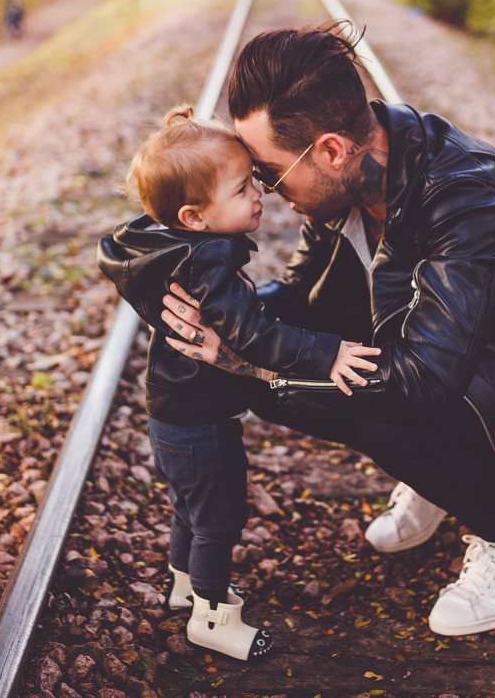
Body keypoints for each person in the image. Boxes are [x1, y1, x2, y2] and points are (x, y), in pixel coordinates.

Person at [161, 22, 495, 637]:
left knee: (366, 403)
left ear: (330, 150)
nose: (269, 193)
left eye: (269, 174)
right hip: (458, 353)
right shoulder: (348, 180)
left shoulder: (465, 196)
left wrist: (257, 363)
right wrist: (221, 317)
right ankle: (442, 480)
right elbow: (303, 295)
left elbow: (426, 379)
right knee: (275, 370)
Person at [96, 105, 381, 660]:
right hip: (197, 422)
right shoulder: (205, 267)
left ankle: (184, 584)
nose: (260, 194)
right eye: (243, 187)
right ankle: (211, 616)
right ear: (194, 216)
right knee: (219, 518)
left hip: (179, 416)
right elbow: (251, 337)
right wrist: (326, 353)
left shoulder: (181, 250)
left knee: (191, 508)